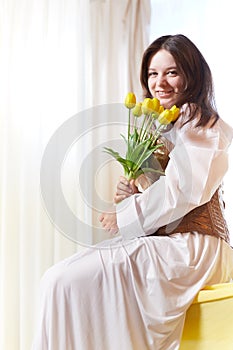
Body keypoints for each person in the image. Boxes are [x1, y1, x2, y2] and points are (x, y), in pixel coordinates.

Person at [32, 34, 233, 350]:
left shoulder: (200, 121)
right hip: (169, 241)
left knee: (65, 281)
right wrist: (133, 192)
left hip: (194, 247)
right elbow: (161, 190)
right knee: (58, 280)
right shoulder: (164, 125)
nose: (160, 83)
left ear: (192, 76)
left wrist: (125, 214)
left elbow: (184, 191)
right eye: (153, 74)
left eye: (172, 72)